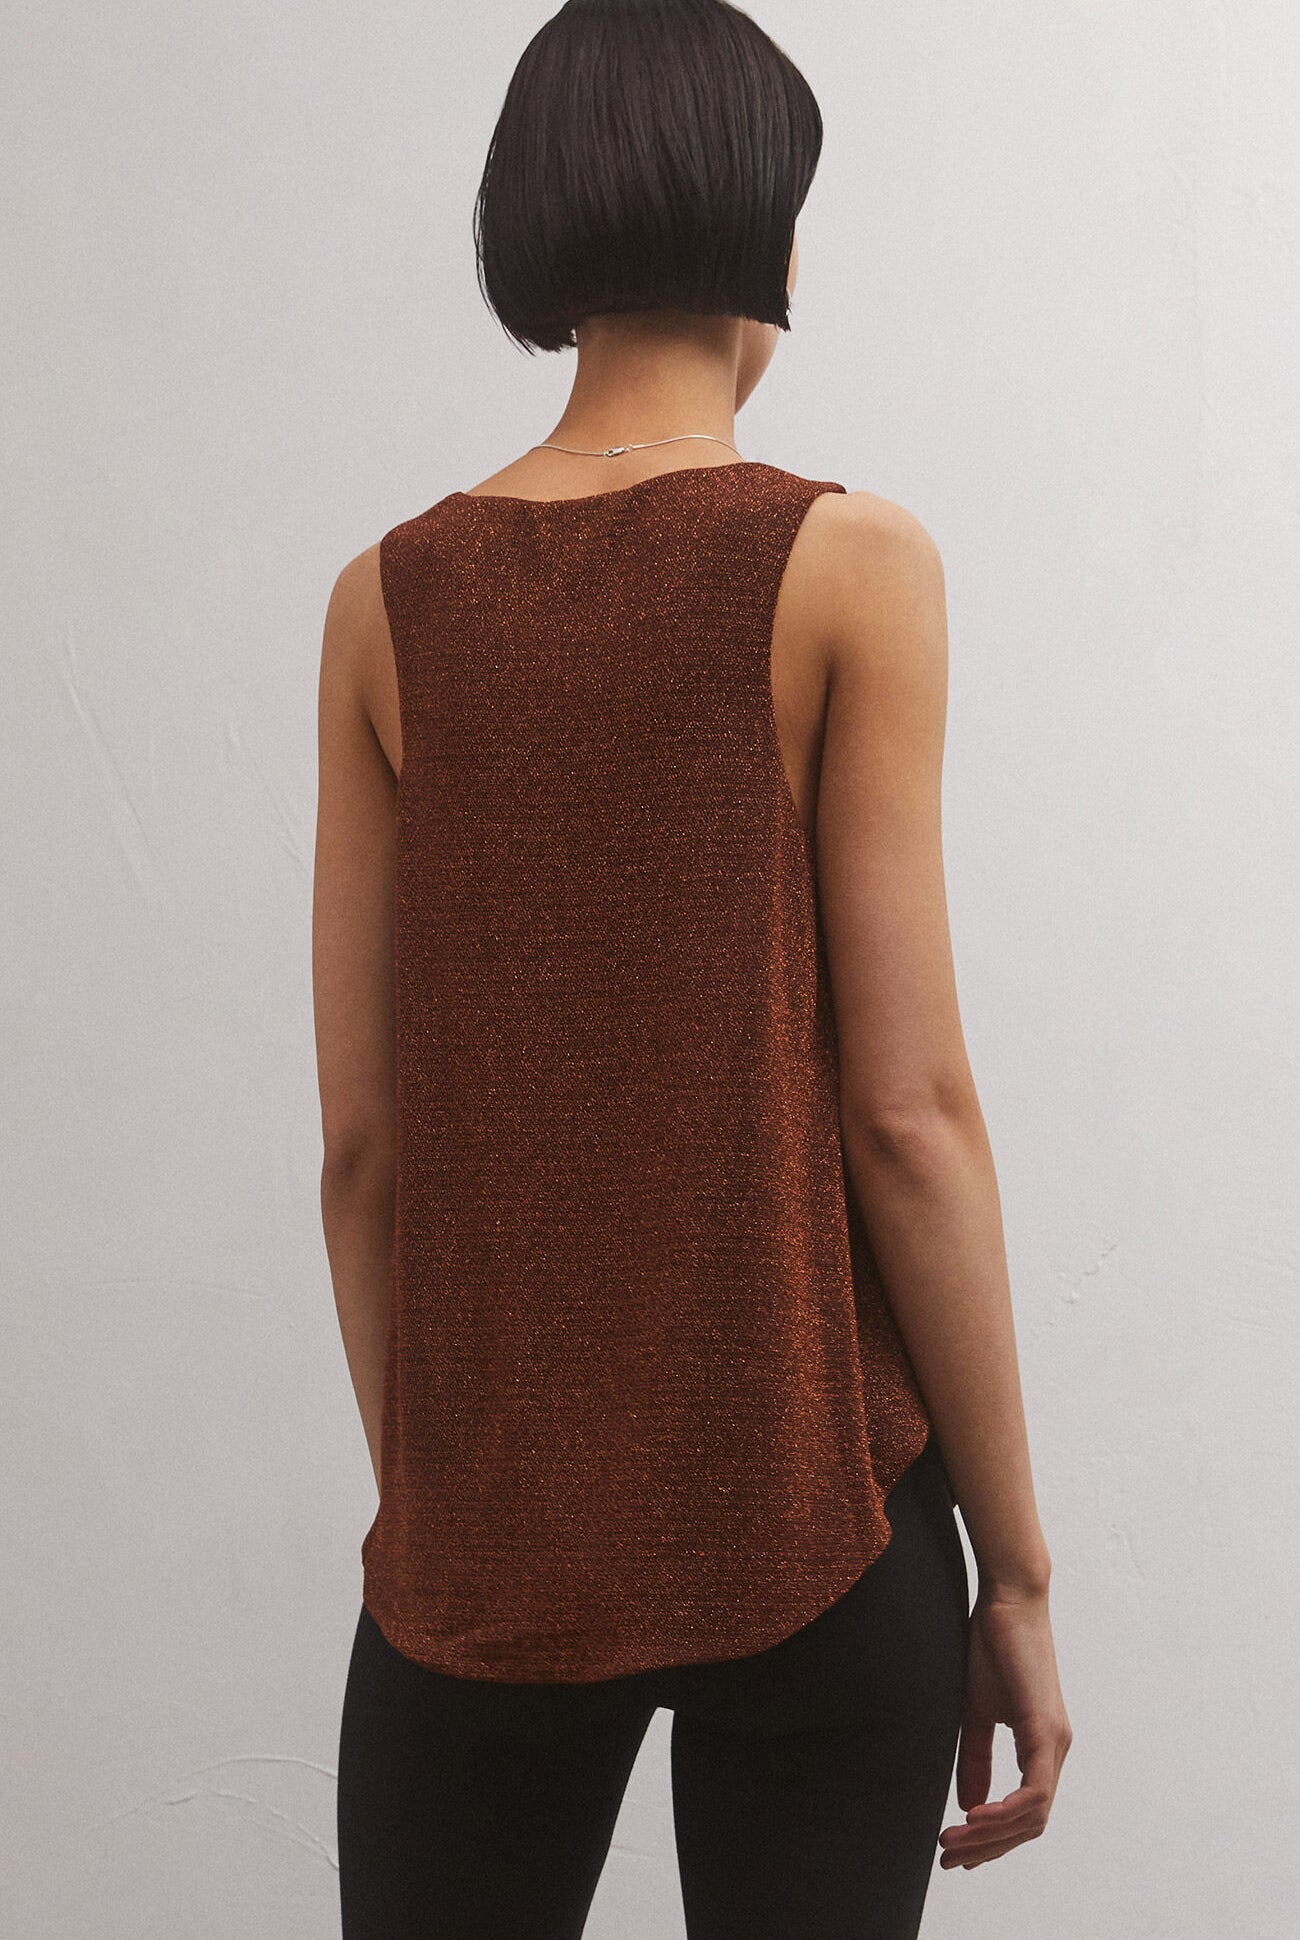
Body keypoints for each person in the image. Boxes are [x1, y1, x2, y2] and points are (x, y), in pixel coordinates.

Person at [312, 1, 1072, 1933]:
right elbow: (908, 1117)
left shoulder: (385, 601)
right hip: (818, 1525)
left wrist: (461, 1504)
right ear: (767, 230)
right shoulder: (850, 562)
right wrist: (1019, 1572)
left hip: (482, 1555)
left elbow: (368, 1152)